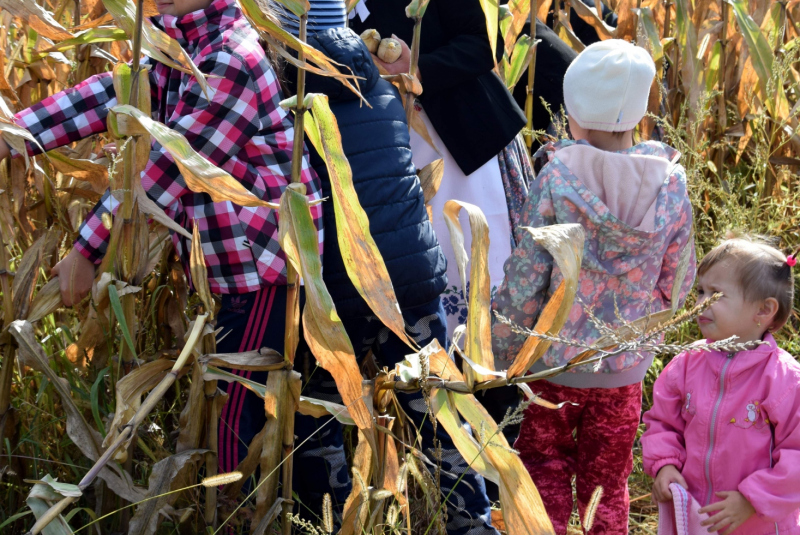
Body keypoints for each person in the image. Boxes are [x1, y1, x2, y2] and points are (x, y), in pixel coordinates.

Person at [0, 0, 323, 515]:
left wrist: (88, 249)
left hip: (261, 268)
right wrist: (15, 134)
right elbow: (106, 99)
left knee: (231, 422)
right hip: (221, 266)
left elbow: (172, 165)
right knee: (242, 410)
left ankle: (237, 520)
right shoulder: (175, 41)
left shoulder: (235, 55)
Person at [268, 9, 499, 531]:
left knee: (321, 411)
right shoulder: (380, 89)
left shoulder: (290, 102)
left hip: (339, 289)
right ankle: (473, 521)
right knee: (439, 410)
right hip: (413, 280)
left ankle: (331, 519)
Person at [491, 39, 697, 534]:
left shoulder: (558, 176)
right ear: (640, 113)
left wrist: (503, 350)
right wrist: (646, 328)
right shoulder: (670, 184)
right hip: (625, 369)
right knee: (608, 482)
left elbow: (527, 276)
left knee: (543, 472)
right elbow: (680, 276)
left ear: (574, 112)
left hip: (553, 365)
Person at [349, 0, 532, 337]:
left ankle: (487, 358)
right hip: (392, 147)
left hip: (462, 139)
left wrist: (416, 70)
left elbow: (481, 45)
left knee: (470, 240)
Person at [642, 237, 800, 535]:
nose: (701, 303)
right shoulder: (689, 363)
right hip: (695, 516)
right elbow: (663, 422)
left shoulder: (783, 380)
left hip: (759, 524)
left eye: (716, 294)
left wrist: (753, 500)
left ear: (763, 310)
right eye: (701, 291)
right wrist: (665, 464)